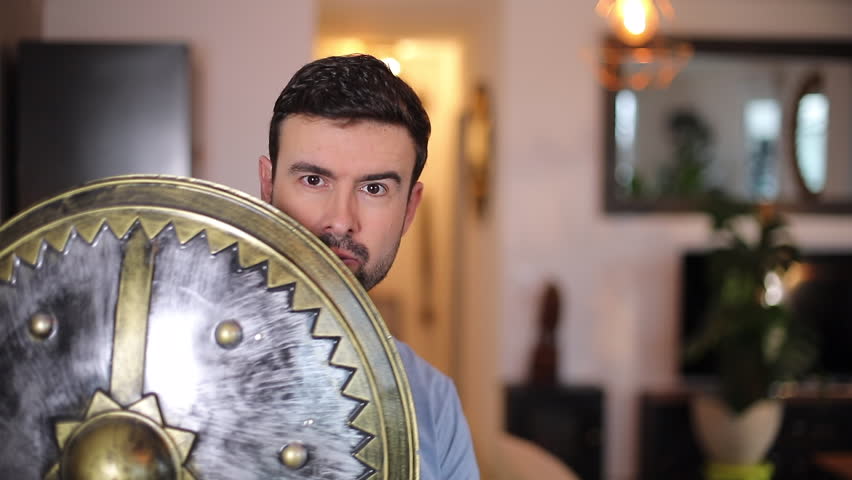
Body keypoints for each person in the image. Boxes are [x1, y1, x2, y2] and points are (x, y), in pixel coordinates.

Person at [258, 54, 480, 480]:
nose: (341, 219)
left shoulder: (433, 401)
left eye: (374, 188)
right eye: (313, 180)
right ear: (268, 186)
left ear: (409, 209)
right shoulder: (175, 362)